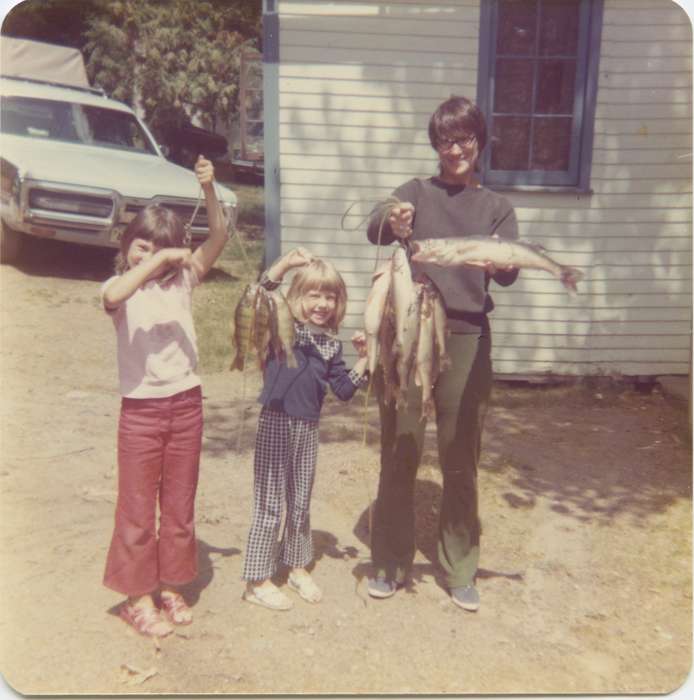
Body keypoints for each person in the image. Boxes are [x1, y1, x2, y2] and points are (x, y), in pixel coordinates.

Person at [365, 95, 519, 612]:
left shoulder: (497, 208)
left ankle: (460, 567)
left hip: (467, 338)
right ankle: (388, 561)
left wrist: (500, 264)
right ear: (435, 145)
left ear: (479, 141)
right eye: (445, 140)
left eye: (464, 139)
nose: (455, 149)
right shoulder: (415, 193)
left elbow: (511, 270)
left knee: (460, 457)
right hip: (411, 334)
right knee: (401, 445)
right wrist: (395, 218)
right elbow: (374, 226)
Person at [102, 156, 229, 637]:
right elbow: (116, 294)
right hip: (140, 411)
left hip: (186, 404)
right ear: (127, 245)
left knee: (179, 504)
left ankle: (171, 583)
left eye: (159, 249)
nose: (148, 255)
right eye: (140, 246)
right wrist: (157, 258)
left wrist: (210, 189)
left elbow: (218, 235)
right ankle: (136, 597)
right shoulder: (120, 286)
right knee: (137, 508)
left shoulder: (184, 279)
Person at [241, 249, 368, 611]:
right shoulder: (284, 327)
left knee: (299, 503)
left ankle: (296, 566)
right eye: (314, 294)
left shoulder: (331, 344)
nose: (322, 303)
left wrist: (366, 358)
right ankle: (257, 579)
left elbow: (343, 390)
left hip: (307, 429)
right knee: (269, 504)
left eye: (330, 296)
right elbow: (262, 295)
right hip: (276, 421)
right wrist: (283, 266)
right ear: (297, 298)